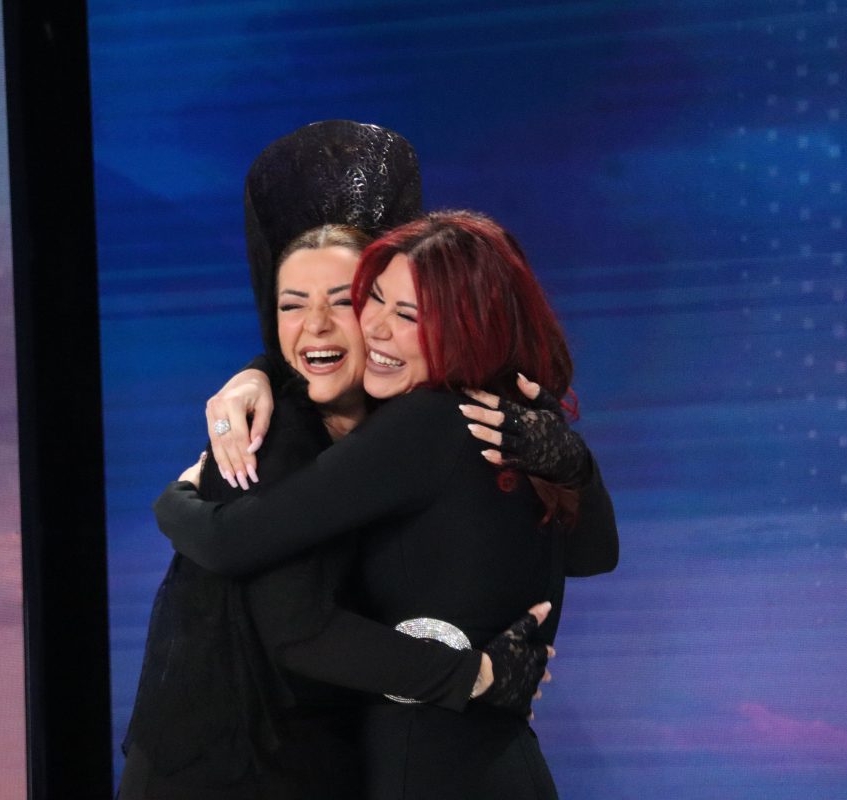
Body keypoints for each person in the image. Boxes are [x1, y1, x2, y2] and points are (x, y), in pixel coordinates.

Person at [120, 123, 574, 799]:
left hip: (351, 759)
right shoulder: (268, 434)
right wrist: (475, 677)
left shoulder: (430, 425)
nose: (317, 326)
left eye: (348, 302)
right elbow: (293, 626)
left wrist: (571, 462)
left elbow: (585, 551)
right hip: (232, 769)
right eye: (291, 306)